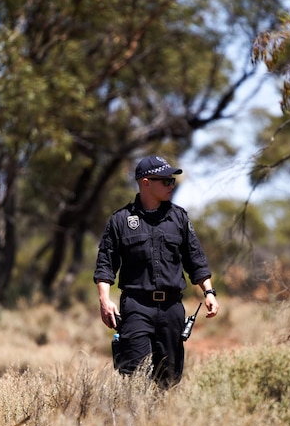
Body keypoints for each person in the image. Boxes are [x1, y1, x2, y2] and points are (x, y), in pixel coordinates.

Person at [94, 155, 219, 387]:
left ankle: (161, 421)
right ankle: (134, 420)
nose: (171, 185)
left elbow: (196, 259)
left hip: (171, 309)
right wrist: (104, 300)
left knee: (168, 378)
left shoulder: (179, 218)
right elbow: (105, 264)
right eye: (165, 181)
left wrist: (209, 292)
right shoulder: (121, 220)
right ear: (145, 182)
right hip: (136, 307)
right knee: (135, 375)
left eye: (172, 181)